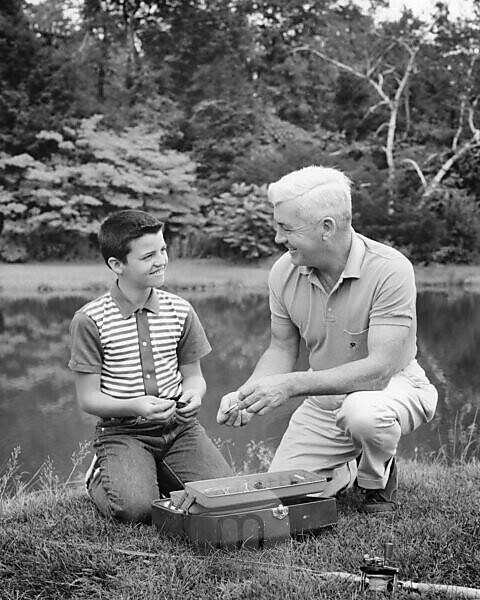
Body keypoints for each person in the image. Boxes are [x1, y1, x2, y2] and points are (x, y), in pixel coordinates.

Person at [217, 166, 437, 513]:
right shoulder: (284, 271)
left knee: (363, 413)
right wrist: (248, 394)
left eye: (286, 228)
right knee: (282, 498)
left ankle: (376, 479)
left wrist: (290, 385)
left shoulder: (390, 269)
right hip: (324, 401)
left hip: (391, 389)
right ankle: (343, 468)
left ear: (327, 228)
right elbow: (281, 348)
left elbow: (379, 371)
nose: (278, 239)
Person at [69, 209, 232, 523]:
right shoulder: (89, 320)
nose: (161, 260)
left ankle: (151, 469)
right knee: (137, 510)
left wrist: (193, 396)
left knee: (222, 496)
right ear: (117, 265)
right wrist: (135, 406)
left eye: (163, 250)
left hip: (180, 429)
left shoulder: (180, 310)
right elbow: (88, 399)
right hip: (122, 432)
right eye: (148, 256)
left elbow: (194, 378)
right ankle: (102, 476)